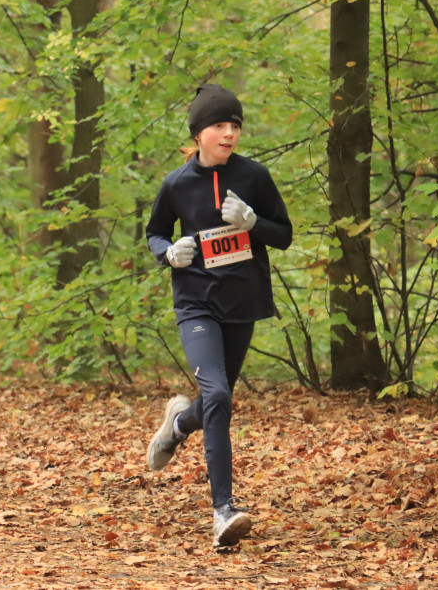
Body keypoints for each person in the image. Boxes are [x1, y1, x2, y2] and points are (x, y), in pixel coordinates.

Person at [144, 84, 292, 547]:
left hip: (242, 303)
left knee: (216, 399)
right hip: (196, 303)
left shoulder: (255, 177)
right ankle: (223, 511)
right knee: (219, 393)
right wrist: (170, 253)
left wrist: (253, 223)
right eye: (219, 126)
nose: (229, 134)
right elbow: (153, 234)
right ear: (199, 133)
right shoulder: (176, 184)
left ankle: (180, 424)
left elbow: (283, 235)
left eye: (235, 126)